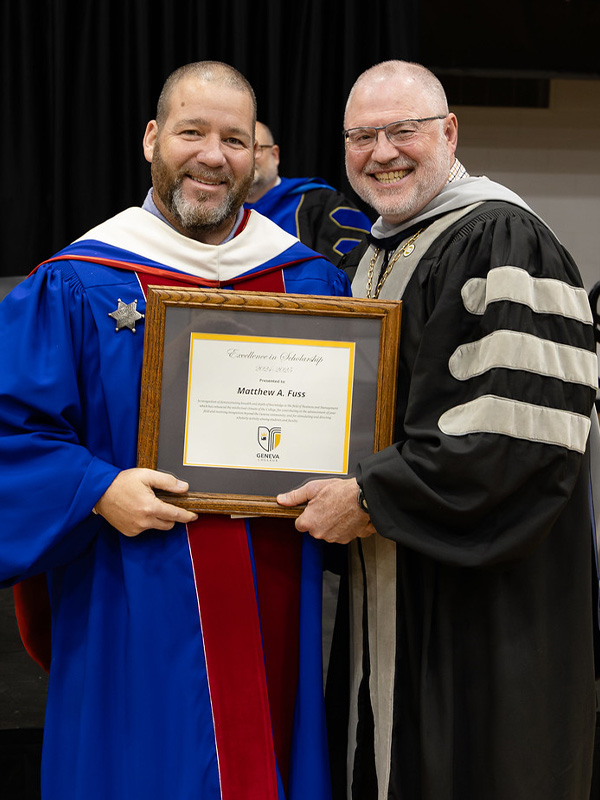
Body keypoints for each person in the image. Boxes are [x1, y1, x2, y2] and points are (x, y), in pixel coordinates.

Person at [0, 61, 351, 800]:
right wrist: (96, 489)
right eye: (192, 132)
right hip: (128, 588)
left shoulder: (308, 284)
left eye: (234, 138)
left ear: (258, 158)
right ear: (153, 140)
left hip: (271, 587)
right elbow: (12, 428)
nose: (213, 155)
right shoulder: (78, 280)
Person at [277, 60, 600, 799]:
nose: (382, 151)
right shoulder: (374, 254)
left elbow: (517, 441)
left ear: (449, 132)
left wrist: (369, 496)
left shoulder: (506, 238)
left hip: (486, 601)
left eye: (403, 130)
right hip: (393, 575)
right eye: (362, 136)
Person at [244, 121, 371, 263]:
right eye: (239, 147)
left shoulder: (324, 204)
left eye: (256, 149)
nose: (249, 158)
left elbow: (349, 272)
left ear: (275, 155)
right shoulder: (222, 212)